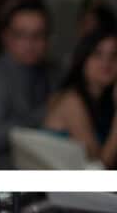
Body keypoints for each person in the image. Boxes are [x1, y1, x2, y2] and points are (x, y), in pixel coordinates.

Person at [0, 0, 54, 160]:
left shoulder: (53, 72)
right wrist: (48, 111)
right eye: (21, 35)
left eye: (38, 35)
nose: (30, 43)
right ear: (6, 37)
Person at [39, 20, 117, 167]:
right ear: (83, 58)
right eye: (97, 54)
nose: (107, 62)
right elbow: (98, 168)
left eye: (114, 55)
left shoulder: (104, 101)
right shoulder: (71, 101)